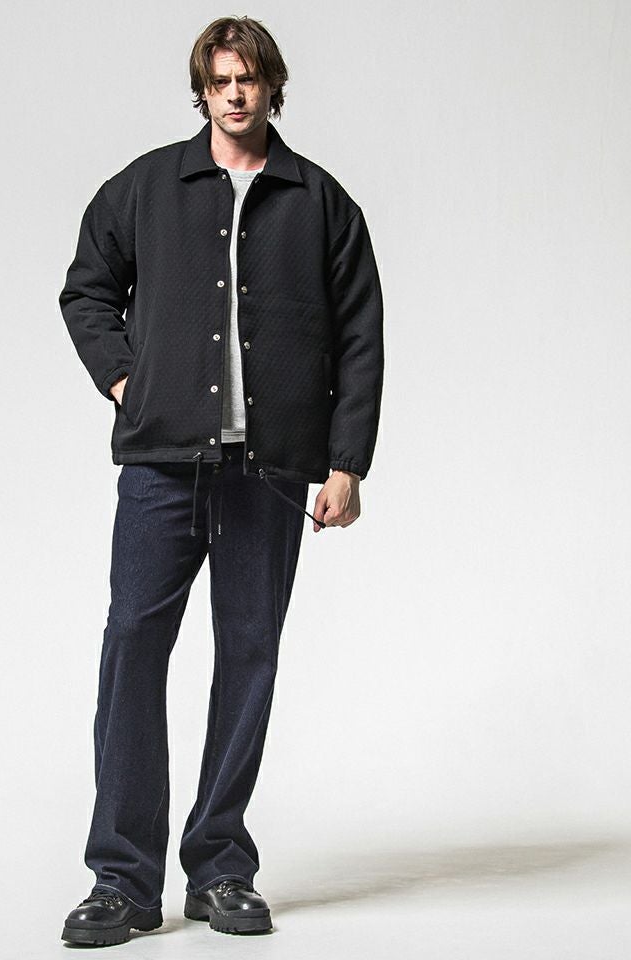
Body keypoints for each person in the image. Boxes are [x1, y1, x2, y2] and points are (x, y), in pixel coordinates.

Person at [57, 14, 384, 947]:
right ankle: (122, 880)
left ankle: (220, 867)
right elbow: (87, 289)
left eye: (248, 79)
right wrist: (127, 381)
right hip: (162, 463)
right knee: (132, 650)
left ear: (272, 87)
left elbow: (360, 338)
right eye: (220, 80)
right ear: (201, 90)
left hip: (271, 472)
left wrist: (346, 462)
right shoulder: (147, 187)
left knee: (248, 659)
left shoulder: (320, 203)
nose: (235, 95)